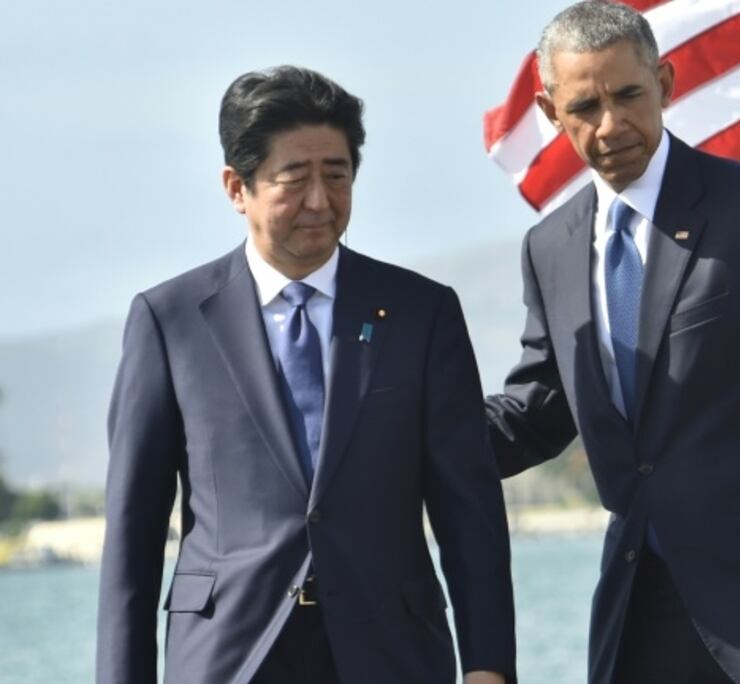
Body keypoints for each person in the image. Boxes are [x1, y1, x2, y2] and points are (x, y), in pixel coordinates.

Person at [485, 2, 740, 683]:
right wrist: (407, 438)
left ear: (667, 83)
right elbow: (537, 411)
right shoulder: (549, 248)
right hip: (642, 614)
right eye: (585, 106)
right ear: (550, 110)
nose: (611, 124)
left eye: (629, 95)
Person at [97, 66, 515, 684]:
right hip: (227, 655)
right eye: (295, 179)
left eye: (337, 176)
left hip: (393, 652)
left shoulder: (421, 313)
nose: (320, 201)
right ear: (237, 187)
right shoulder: (170, 321)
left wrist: (488, 665)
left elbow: (468, 507)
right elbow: (131, 538)